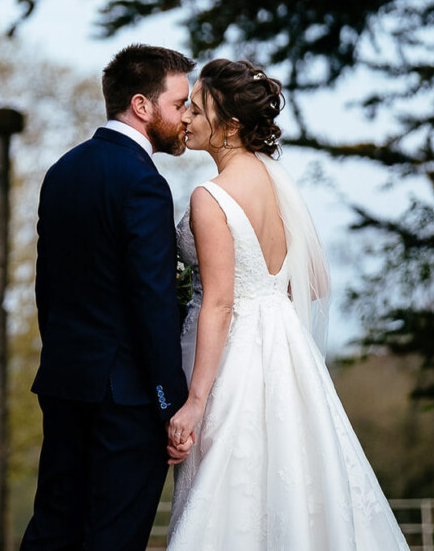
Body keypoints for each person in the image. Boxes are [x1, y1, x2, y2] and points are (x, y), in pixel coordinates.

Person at [165, 58, 409, 550]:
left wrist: (194, 403)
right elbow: (315, 280)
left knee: (231, 484)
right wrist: (268, 295)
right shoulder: (276, 180)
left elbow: (218, 303)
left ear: (229, 127)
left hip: (232, 359)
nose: (186, 117)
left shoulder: (209, 197)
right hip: (286, 350)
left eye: (196, 108)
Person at [20, 44, 195, 551]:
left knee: (53, 527)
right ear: (142, 106)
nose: (185, 117)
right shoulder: (142, 181)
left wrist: (64, 359)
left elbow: (46, 288)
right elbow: (153, 299)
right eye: (179, 103)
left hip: (65, 383)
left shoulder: (63, 170)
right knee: (114, 536)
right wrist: (170, 401)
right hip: (127, 398)